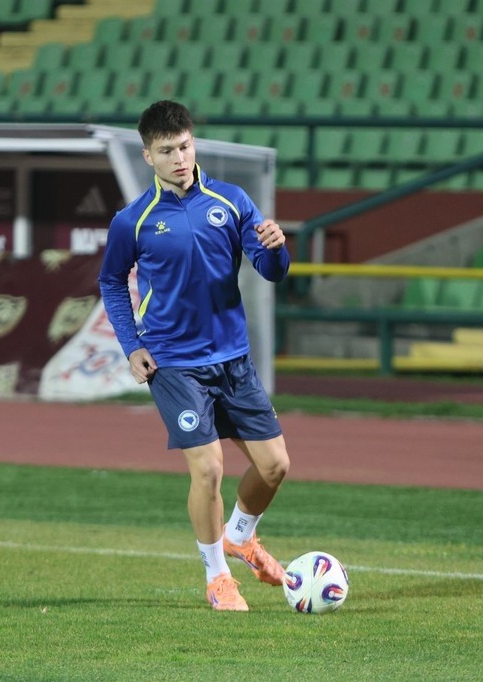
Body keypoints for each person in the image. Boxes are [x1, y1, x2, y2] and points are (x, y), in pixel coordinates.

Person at [98, 100, 292, 611]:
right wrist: (132, 345)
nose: (179, 158)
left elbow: (271, 270)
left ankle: (241, 536)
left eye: (184, 146)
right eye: (167, 151)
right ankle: (217, 576)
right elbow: (111, 281)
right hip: (173, 363)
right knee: (208, 470)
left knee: (275, 466)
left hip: (233, 359)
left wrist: (276, 248)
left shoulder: (231, 201)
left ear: (193, 143)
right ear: (148, 156)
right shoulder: (132, 220)